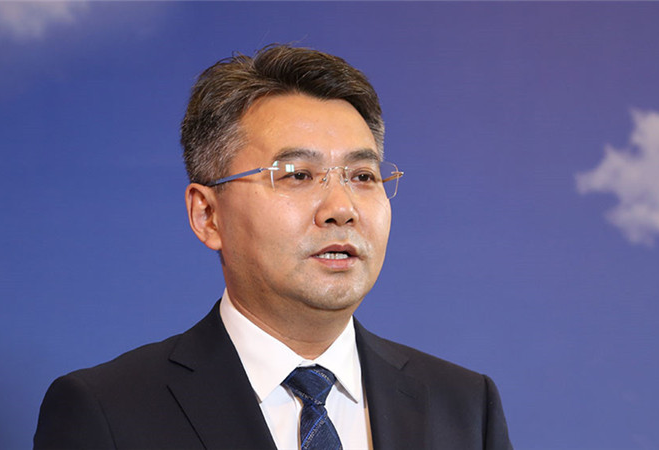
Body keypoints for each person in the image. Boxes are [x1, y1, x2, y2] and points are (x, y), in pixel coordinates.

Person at [34, 44, 512, 450]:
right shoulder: (109, 413)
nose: (341, 209)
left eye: (363, 176)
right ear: (207, 215)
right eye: (298, 175)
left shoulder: (466, 406)